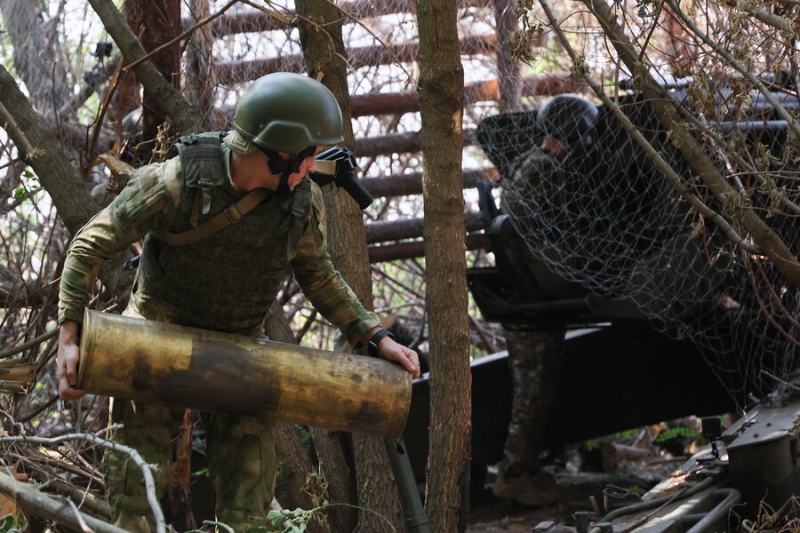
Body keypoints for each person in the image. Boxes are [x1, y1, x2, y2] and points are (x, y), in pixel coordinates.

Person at [56, 72, 421, 532]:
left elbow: (320, 275)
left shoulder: (301, 203)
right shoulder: (176, 182)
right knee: (135, 501)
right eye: (308, 157)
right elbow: (89, 244)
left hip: (241, 353)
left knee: (248, 513)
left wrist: (374, 335)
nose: (314, 167)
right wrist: (68, 337)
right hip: (150, 346)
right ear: (278, 151)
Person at [491, 94, 598, 507]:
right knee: (532, 398)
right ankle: (515, 475)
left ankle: (526, 471)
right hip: (532, 302)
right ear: (576, 134)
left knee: (537, 394)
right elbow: (571, 223)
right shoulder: (545, 170)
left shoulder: (533, 164)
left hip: (531, 295)